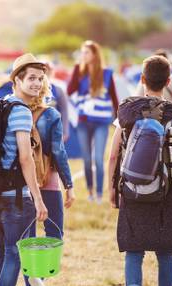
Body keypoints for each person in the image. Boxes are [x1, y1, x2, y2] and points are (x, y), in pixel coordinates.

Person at [108, 55, 172, 286]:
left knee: (134, 250)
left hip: (131, 189)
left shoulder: (127, 113)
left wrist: (111, 190)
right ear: (168, 81)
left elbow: (113, 155)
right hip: (166, 193)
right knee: (165, 252)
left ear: (142, 79)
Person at [0, 53, 48, 286]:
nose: (37, 84)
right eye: (31, 78)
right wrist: (38, 198)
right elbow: (26, 158)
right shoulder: (21, 111)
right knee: (13, 253)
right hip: (17, 197)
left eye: (41, 79)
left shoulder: (2, 104)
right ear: (17, 80)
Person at [23, 72, 75, 286]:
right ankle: (38, 283)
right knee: (54, 234)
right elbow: (58, 152)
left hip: (22, 185)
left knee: (27, 241)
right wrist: (69, 185)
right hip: (48, 182)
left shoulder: (15, 112)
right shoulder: (51, 114)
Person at [67, 40, 119, 203]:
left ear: (95, 54)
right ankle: (89, 191)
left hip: (102, 121)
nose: (83, 55)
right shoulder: (79, 72)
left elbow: (114, 97)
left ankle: (99, 194)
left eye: (86, 52)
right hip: (83, 121)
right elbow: (69, 91)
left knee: (98, 158)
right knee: (87, 159)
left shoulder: (107, 73)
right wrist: (76, 69)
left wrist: (120, 118)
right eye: (82, 53)